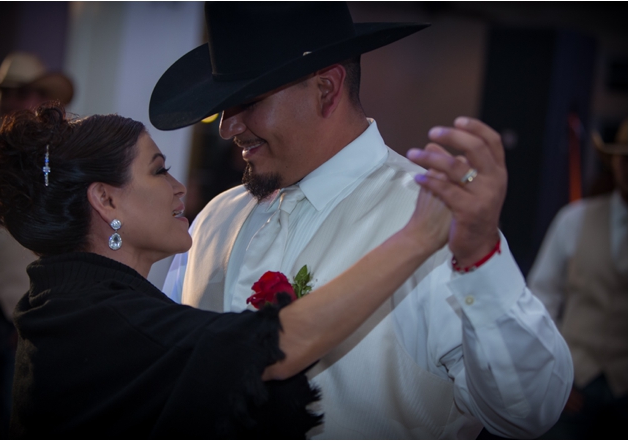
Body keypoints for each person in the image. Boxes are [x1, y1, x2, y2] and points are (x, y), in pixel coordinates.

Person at [152, 3, 574, 439]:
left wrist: (483, 261)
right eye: (224, 106)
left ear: (326, 89)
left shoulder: (433, 219)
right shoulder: (216, 219)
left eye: (248, 102)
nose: (227, 127)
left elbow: (529, 411)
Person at [0, 102, 454, 438]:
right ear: (107, 199)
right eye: (159, 170)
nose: (180, 188)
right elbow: (278, 347)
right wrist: (417, 238)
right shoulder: (102, 318)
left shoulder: (68, 301)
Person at [0, 51, 74, 439]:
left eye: (24, 93)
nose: (14, 102)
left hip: (26, 312)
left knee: (20, 417)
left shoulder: (55, 165)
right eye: (6, 93)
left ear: (39, 100)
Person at [528, 121, 627, 440]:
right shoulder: (574, 219)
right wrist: (552, 373)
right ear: (612, 162)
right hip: (574, 383)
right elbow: (541, 300)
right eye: (624, 158)